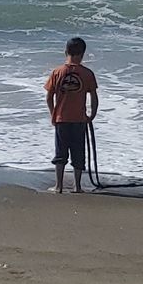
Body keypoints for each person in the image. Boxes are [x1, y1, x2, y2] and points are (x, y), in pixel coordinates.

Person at [44, 37, 98, 193]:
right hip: (79, 120)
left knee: (60, 153)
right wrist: (91, 115)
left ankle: (58, 186)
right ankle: (77, 186)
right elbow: (93, 97)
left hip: (61, 119)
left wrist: (53, 114)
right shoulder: (87, 73)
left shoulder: (57, 72)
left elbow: (49, 97)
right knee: (78, 153)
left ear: (65, 51)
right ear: (82, 54)